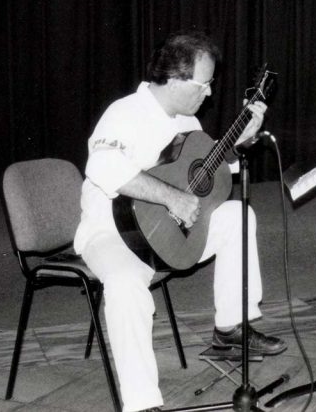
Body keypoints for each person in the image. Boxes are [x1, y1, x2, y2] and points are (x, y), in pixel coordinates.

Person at [74, 30, 286, 412]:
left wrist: (240, 144)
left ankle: (230, 328)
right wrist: (171, 196)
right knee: (124, 286)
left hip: (170, 233)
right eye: (203, 84)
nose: (209, 93)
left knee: (239, 214)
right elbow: (103, 165)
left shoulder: (186, 122)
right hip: (113, 233)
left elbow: (206, 175)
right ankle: (141, 404)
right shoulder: (124, 114)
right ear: (174, 80)